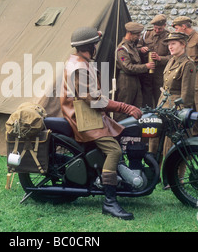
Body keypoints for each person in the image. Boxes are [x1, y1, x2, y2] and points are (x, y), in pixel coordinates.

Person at [60, 26, 142, 220]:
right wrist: (125, 107)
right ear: (89, 46)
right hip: (83, 118)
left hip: (89, 114)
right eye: (95, 44)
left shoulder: (80, 61)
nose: (96, 47)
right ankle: (110, 202)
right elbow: (94, 99)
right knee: (114, 151)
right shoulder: (78, 68)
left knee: (119, 137)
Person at [148, 32, 196, 156]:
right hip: (163, 106)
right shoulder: (171, 61)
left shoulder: (187, 64)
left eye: (173, 44)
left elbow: (187, 94)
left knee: (172, 147)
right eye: (169, 44)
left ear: (183, 45)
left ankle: (174, 174)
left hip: (175, 110)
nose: (170, 47)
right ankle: (154, 172)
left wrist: (180, 115)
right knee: (154, 142)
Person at [172, 16, 198, 139]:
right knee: (190, 105)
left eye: (177, 28)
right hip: (188, 75)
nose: (176, 31)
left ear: (184, 26)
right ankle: (195, 135)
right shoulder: (183, 40)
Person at [114, 22, 155, 122]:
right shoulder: (121, 49)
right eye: (137, 35)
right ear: (130, 34)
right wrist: (146, 66)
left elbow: (133, 54)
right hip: (126, 82)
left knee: (136, 108)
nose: (139, 37)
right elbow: (128, 67)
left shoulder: (132, 46)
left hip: (134, 81)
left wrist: (140, 50)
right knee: (123, 109)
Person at [138, 14, 171, 108]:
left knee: (160, 97)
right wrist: (141, 49)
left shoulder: (169, 37)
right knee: (146, 97)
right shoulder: (146, 34)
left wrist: (160, 58)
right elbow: (137, 47)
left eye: (159, 29)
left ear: (164, 25)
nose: (157, 31)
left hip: (160, 73)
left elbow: (172, 57)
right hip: (146, 73)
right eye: (155, 28)